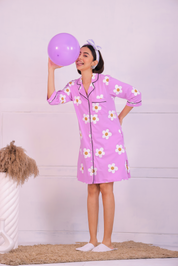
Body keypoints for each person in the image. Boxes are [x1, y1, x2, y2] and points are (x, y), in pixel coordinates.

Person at [47, 39, 142, 252]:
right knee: (91, 189)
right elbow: (53, 99)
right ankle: (93, 240)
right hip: (88, 148)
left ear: (94, 61)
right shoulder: (73, 86)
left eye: (85, 55)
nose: (79, 58)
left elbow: (135, 94)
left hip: (110, 145)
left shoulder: (106, 82)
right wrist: (51, 69)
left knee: (107, 188)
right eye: (78, 54)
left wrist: (120, 117)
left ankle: (107, 242)